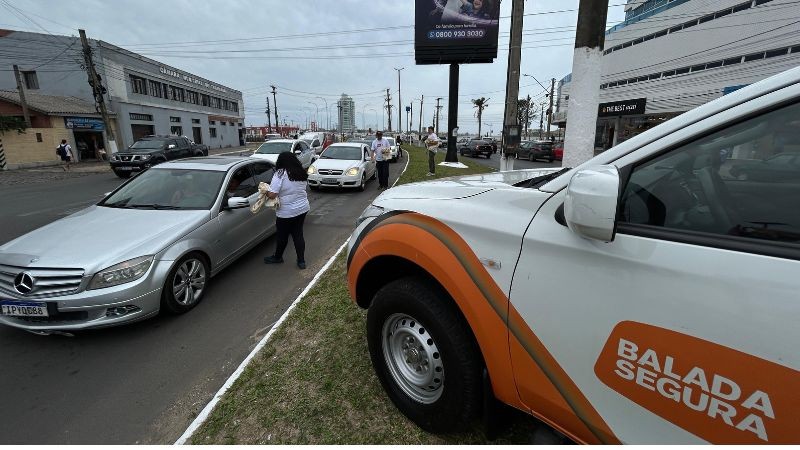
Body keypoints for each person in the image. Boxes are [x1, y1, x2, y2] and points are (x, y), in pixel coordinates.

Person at [263, 152, 311, 269]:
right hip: (302, 208)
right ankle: (301, 261)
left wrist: (264, 191)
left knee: (282, 235)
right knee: (298, 234)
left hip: (286, 211)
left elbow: (273, 195)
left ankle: (277, 257)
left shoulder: (280, 173)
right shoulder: (301, 172)